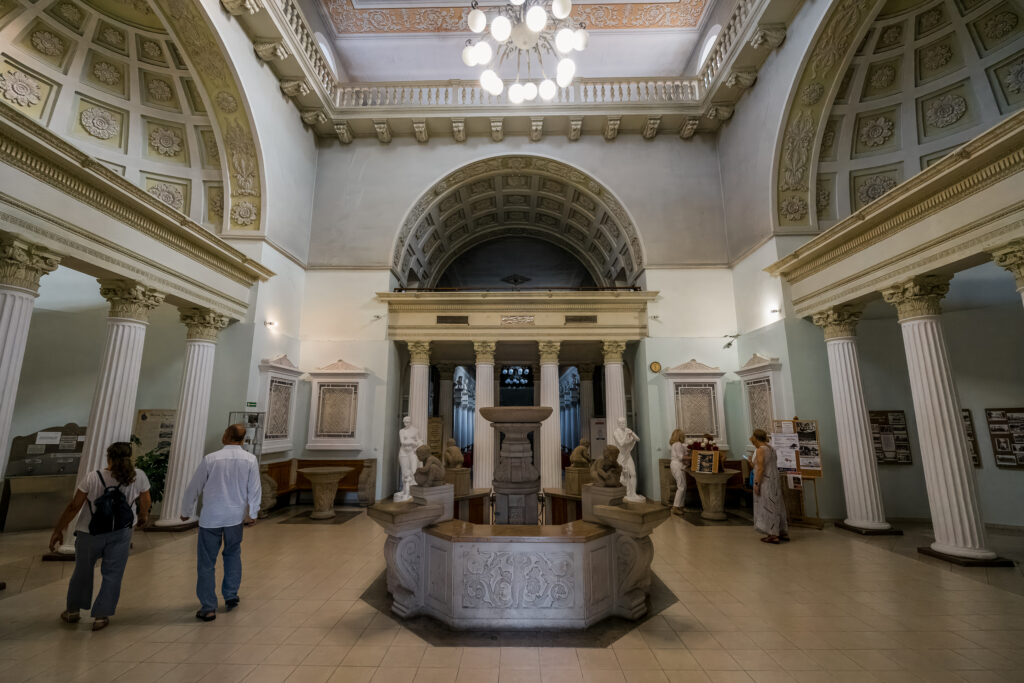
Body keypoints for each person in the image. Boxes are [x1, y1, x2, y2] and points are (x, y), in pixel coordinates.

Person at [49, 442, 151, 631]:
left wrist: (58, 529)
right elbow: (145, 500)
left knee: (82, 571)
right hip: (121, 532)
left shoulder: (93, 477)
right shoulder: (137, 476)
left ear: (108, 457)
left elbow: (74, 506)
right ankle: (101, 616)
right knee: (113, 574)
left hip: (89, 532)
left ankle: (72, 610)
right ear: (130, 457)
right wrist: (143, 516)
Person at [180, 424, 261, 621]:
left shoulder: (211, 459)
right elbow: (254, 489)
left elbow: (194, 487)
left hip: (211, 517)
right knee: (233, 554)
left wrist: (186, 511)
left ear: (227, 436)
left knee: (207, 562)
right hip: (235, 516)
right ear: (242, 440)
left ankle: (208, 606)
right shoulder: (250, 459)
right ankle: (231, 594)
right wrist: (253, 513)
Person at [751, 428, 789, 544]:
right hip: (774, 479)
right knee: (777, 504)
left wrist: (757, 483)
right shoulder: (771, 448)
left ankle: (773, 534)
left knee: (767, 506)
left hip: (766, 480)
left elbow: (761, 468)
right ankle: (782, 531)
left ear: (756, 437)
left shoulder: (760, 450)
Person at [669, 429, 688, 515]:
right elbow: (681, 457)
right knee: (681, 487)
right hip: (678, 465)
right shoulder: (678, 444)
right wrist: (694, 457)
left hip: (675, 465)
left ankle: (681, 506)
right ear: (680, 436)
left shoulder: (674, 444)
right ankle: (675, 507)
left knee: (683, 486)